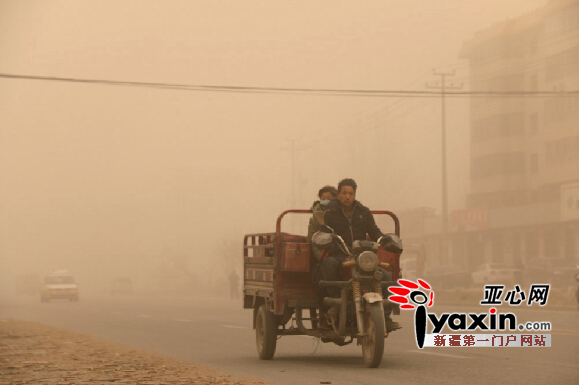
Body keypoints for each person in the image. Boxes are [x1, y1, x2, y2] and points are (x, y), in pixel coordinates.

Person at [321, 178, 401, 332]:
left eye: (350, 193)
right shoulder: (330, 213)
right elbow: (325, 230)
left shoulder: (363, 212)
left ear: (355, 195)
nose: (347, 196)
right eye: (344, 193)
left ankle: (386, 316)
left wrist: (384, 239)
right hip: (340, 255)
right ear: (338, 195)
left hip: (362, 257)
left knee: (387, 277)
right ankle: (335, 304)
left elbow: (374, 231)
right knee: (328, 264)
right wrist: (324, 238)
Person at [307, 185, 338, 273]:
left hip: (339, 243)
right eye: (323, 198)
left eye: (328, 198)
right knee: (328, 262)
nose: (325, 200)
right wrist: (309, 245)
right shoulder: (316, 214)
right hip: (320, 243)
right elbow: (311, 233)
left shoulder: (341, 212)